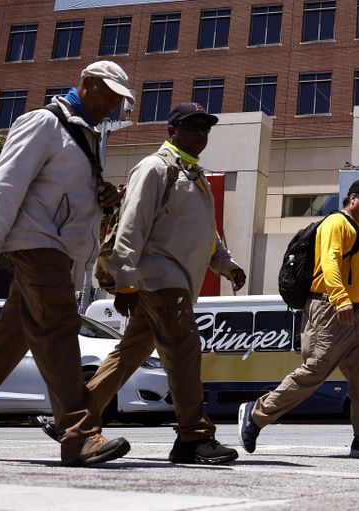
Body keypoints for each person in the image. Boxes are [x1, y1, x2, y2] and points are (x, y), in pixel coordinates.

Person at [0, 61, 135, 466]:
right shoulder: (43, 122)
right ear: (84, 84)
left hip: (55, 249)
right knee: (60, 331)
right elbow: (3, 186)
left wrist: (100, 195)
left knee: (7, 343)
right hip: (37, 246)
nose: (113, 107)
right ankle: (79, 434)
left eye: (119, 101)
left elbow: (58, 190)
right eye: (108, 95)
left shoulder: (81, 134)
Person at [37, 102, 247, 465]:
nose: (201, 133)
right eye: (192, 126)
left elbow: (205, 235)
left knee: (126, 355)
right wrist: (126, 284)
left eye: (205, 127)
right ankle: (194, 437)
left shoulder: (195, 175)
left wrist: (226, 265)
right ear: (171, 130)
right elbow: (130, 229)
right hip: (159, 280)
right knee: (184, 355)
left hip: (177, 281)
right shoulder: (155, 168)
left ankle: (70, 422)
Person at [237, 178, 359, 459]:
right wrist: (339, 298)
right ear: (352, 199)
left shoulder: (355, 229)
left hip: (354, 313)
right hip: (332, 308)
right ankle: (256, 414)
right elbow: (330, 261)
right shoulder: (336, 224)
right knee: (315, 371)